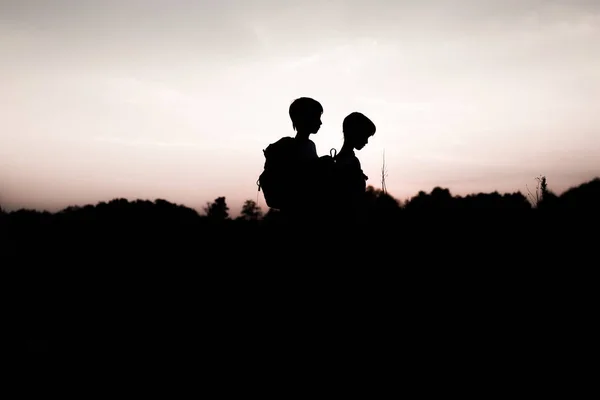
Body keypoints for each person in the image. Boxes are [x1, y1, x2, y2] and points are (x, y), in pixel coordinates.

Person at [259, 97, 324, 225]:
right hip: (297, 215)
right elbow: (302, 180)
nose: (320, 122)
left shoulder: (309, 145)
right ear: (304, 118)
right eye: (317, 117)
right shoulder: (293, 148)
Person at [330, 111, 376, 226]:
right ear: (354, 133)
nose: (366, 141)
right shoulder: (351, 162)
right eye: (365, 136)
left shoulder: (339, 160)